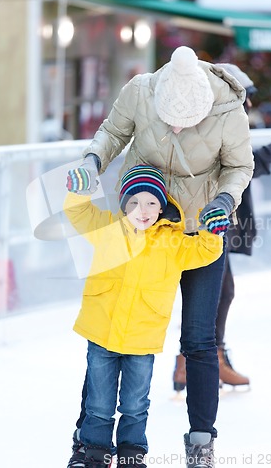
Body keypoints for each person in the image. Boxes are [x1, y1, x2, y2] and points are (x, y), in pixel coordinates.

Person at [67, 46, 254, 468]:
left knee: (200, 340)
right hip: (142, 222)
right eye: (167, 117)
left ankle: (201, 440)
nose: (173, 126)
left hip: (202, 229)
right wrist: (91, 162)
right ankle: (87, 443)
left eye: (183, 122)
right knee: (110, 332)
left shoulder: (229, 112)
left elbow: (239, 167)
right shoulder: (140, 91)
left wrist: (224, 201)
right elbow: (113, 133)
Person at [64, 164, 226, 468]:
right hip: (102, 332)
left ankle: (131, 453)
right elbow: (79, 214)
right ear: (124, 204)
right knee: (99, 403)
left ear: (162, 207)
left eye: (152, 203)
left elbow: (205, 251)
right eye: (134, 202)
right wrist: (78, 189)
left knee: (135, 404)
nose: (143, 210)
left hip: (143, 337)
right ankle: (94, 452)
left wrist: (212, 228)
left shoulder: (172, 241)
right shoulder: (109, 229)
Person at [172, 63, 271, 390]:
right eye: (246, 97)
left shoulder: (225, 123)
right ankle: (199, 360)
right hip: (202, 223)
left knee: (220, 291)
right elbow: (237, 168)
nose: (250, 105)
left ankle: (196, 361)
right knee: (216, 291)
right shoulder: (215, 124)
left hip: (213, 222)